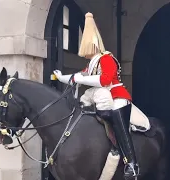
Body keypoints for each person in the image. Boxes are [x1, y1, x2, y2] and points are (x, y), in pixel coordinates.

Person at [53, 12, 139, 179]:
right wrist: (62, 77)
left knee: (120, 126)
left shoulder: (107, 59)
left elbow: (105, 80)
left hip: (116, 96)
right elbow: (80, 76)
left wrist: (79, 78)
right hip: (100, 96)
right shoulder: (92, 63)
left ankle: (131, 163)